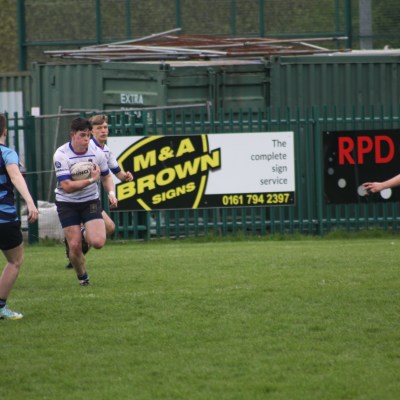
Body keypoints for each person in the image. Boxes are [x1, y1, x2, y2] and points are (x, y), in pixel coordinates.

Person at [63, 114, 133, 269]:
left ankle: (78, 249)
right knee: (94, 234)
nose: (103, 131)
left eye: (105, 127)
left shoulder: (105, 151)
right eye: (99, 128)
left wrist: (126, 177)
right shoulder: (85, 146)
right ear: (91, 131)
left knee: (110, 227)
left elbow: (116, 173)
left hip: (91, 199)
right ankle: (77, 249)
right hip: (75, 199)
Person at [54, 117, 117, 285]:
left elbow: (106, 177)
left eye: (88, 135)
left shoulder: (97, 152)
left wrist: (111, 193)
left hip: (90, 200)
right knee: (74, 246)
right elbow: (67, 186)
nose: (86, 139)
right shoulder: (61, 154)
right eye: (82, 135)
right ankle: (83, 277)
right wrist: (91, 180)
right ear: (72, 135)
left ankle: (82, 232)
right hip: (66, 202)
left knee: (98, 242)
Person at [0, 113, 39, 320]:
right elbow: (15, 175)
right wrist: (30, 202)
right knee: (15, 261)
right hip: (4, 218)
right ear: (5, 131)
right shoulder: (7, 153)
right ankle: (0, 307)